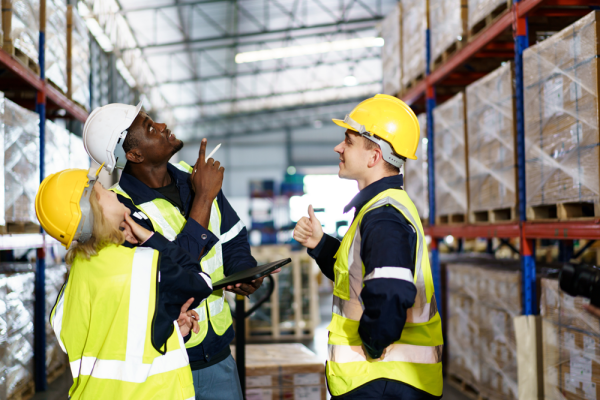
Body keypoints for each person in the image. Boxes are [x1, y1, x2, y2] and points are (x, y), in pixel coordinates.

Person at [81, 103, 261, 399]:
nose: (162, 126)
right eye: (150, 128)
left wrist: (244, 271)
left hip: (217, 355)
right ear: (134, 155)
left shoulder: (196, 177)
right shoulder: (122, 209)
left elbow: (233, 238)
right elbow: (171, 277)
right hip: (164, 363)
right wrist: (203, 197)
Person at [293, 94, 443, 400]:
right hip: (384, 381)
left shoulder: (384, 215)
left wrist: (373, 344)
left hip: (380, 380)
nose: (338, 148)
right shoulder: (377, 209)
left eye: (348, 141)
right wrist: (320, 244)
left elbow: (389, 293)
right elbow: (358, 280)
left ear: (374, 156)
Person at [37, 166, 215, 399]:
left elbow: (110, 343)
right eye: (102, 190)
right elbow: (202, 282)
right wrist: (151, 239)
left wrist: (168, 328)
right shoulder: (148, 265)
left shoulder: (75, 279)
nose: (113, 193)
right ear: (93, 211)